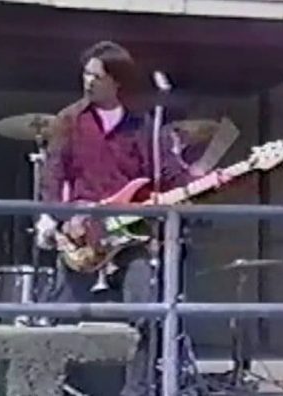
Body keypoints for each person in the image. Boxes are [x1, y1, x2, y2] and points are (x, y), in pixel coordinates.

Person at [34, 40, 229, 396]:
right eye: (85, 75)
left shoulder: (144, 126)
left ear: (117, 82)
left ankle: (135, 391)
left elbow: (168, 176)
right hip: (82, 235)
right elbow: (52, 176)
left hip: (132, 235)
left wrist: (210, 183)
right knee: (62, 316)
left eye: (96, 76)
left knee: (145, 314)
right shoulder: (68, 120)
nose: (88, 82)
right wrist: (60, 218)